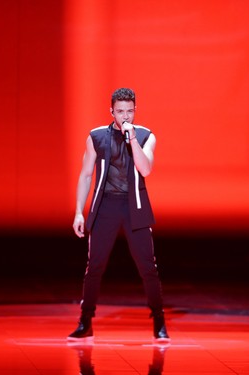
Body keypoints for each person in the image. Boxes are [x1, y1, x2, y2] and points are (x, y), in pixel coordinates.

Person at [67, 87, 169, 342]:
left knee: (148, 267)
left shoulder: (146, 136)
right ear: (111, 111)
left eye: (130, 111)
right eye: (120, 111)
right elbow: (86, 174)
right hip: (106, 206)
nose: (125, 116)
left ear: (135, 111)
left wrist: (132, 138)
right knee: (95, 266)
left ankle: (159, 322)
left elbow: (145, 169)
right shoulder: (97, 137)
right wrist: (79, 211)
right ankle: (85, 321)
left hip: (135, 206)